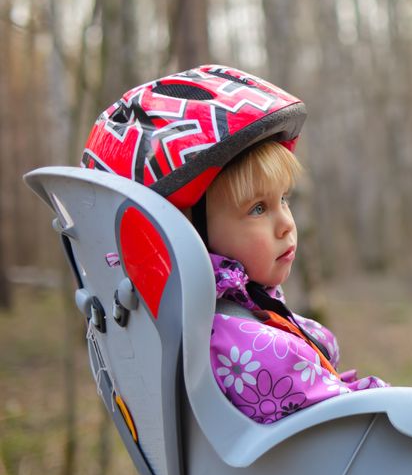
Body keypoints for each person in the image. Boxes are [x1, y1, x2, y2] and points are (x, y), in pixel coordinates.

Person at [82, 65, 387, 424]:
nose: (286, 224)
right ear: (185, 228)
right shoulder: (252, 352)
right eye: (258, 209)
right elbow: (363, 428)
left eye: (283, 199)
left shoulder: (212, 323)